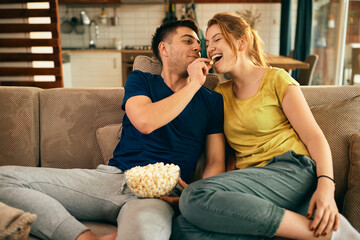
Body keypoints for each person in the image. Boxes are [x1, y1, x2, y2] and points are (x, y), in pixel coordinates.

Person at [0, 19, 225, 240]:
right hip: (111, 180)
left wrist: (193, 195)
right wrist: (194, 84)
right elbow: (145, 122)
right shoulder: (141, 81)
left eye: (198, 43)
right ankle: (84, 237)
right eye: (188, 41)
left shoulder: (211, 101)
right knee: (3, 179)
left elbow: (216, 161)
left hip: (158, 195)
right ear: (164, 49)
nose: (197, 47)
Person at [171, 12, 360, 240]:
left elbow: (314, 137)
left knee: (192, 196)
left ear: (242, 41)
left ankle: (334, 235)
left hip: (291, 170)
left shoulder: (276, 79)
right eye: (207, 43)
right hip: (254, 181)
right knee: (182, 228)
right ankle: (294, 230)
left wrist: (326, 187)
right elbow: (223, 157)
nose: (209, 48)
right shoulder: (219, 94)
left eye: (217, 39)